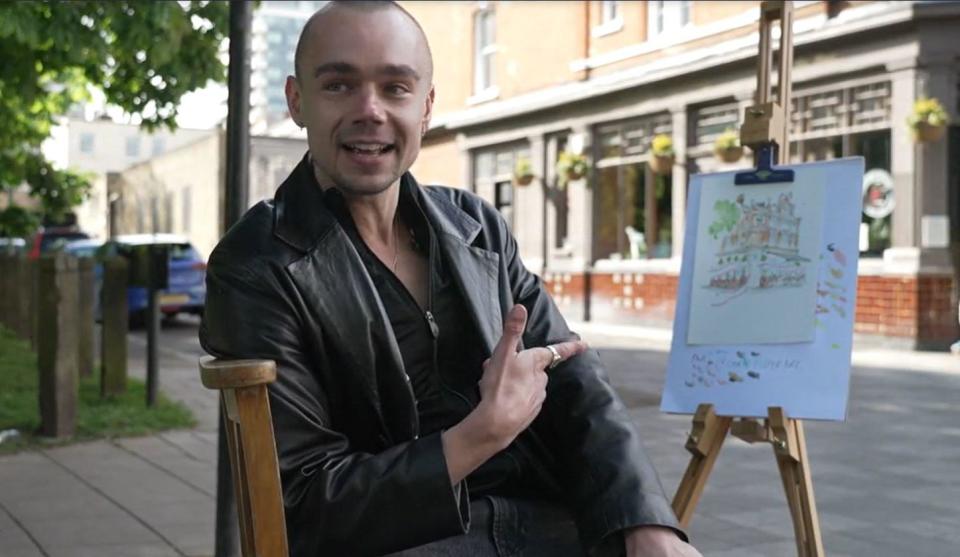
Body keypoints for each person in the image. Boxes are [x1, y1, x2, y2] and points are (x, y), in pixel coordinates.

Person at [200, 2, 702, 556]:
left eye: (395, 88)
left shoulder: (476, 226)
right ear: (297, 101)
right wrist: (478, 436)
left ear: (426, 107)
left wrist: (645, 522)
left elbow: (575, 379)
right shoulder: (255, 264)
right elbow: (300, 499)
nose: (370, 110)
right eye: (340, 85)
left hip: (542, 520)